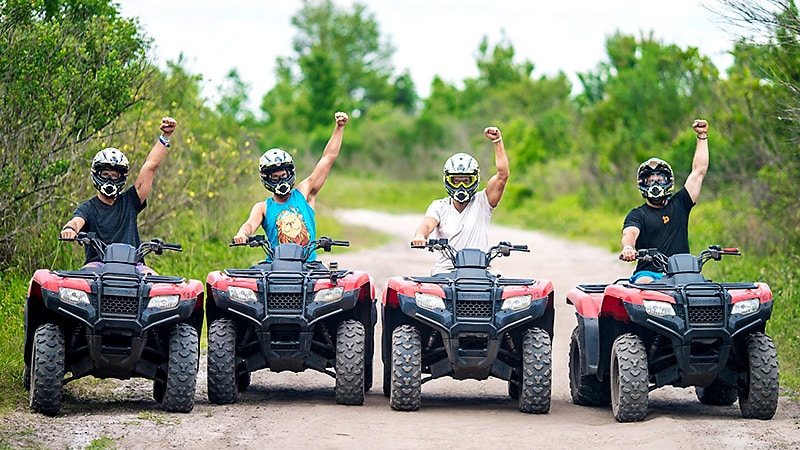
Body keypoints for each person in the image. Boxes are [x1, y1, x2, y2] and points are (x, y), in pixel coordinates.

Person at [60, 117, 179, 273]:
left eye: (114, 175)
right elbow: (76, 221)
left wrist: (165, 137)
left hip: (135, 265)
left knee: (153, 281)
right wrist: (70, 229)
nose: (109, 179)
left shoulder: (130, 200)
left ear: (121, 177)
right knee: (84, 278)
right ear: (96, 174)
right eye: (105, 174)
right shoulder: (88, 208)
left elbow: (150, 166)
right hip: (97, 264)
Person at [233, 111, 349, 261]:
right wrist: (242, 234)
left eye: (283, 176)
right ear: (266, 179)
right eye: (275, 177)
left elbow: (328, 159)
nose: (281, 181)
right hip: (276, 268)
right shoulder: (262, 208)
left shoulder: (304, 193)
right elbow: (249, 225)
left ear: (290, 173)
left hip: (308, 267)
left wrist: (339, 128)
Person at [619, 119, 710, 283]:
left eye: (659, 179)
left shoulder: (681, 203)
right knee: (643, 285)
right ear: (642, 184)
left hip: (682, 273)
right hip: (649, 274)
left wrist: (702, 136)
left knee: (703, 290)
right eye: (650, 180)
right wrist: (628, 248)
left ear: (668, 181)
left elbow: (699, 171)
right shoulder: (637, 215)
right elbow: (630, 233)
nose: (655, 183)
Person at [410, 126, 509, 275]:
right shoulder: (439, 206)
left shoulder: (483, 202)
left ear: (475, 180)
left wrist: (497, 141)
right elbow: (427, 225)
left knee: (503, 288)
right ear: (447, 180)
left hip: (481, 269)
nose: (461, 186)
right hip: (446, 270)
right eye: (456, 180)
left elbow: (502, 175)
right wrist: (420, 236)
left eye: (466, 180)